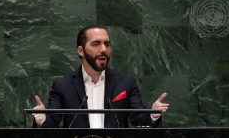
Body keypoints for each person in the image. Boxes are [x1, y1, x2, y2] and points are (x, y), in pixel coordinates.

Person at [33, 25, 169, 128]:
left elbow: (138, 119)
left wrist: (153, 114)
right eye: (96, 44)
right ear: (81, 51)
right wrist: (42, 118)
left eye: (107, 44)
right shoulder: (63, 86)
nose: (104, 49)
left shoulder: (125, 83)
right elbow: (51, 125)